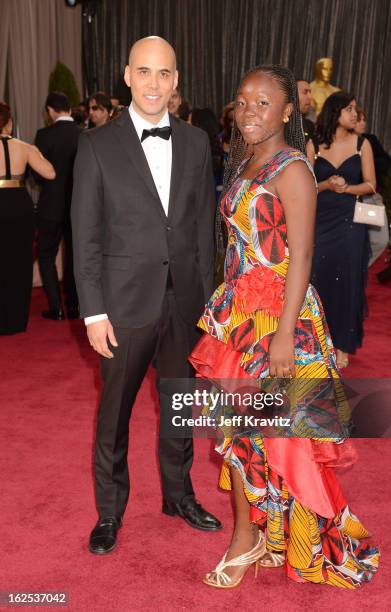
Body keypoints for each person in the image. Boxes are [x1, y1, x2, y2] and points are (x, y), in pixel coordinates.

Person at [189, 66, 379, 589]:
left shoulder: (292, 169)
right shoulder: (248, 158)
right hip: (238, 317)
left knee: (272, 437)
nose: (249, 111)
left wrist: (281, 335)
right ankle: (263, 537)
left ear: (288, 111)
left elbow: (301, 257)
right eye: (243, 101)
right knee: (244, 434)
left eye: (264, 102)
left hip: (278, 319)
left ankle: (247, 541)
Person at [71, 36, 221, 555]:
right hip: (123, 305)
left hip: (184, 303)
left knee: (180, 408)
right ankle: (109, 512)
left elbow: (205, 230)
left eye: (164, 74)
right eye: (145, 72)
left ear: (176, 81)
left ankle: (178, 496)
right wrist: (93, 311)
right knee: (114, 415)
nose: (154, 83)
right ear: (127, 76)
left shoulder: (199, 142)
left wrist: (208, 303)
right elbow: (85, 236)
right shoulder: (95, 145)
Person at [307, 92, 376, 368]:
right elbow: (304, 186)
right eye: (349, 110)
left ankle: (342, 345)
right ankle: (315, 340)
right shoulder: (315, 145)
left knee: (347, 281)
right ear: (335, 112)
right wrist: (326, 185)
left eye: (355, 110)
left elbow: (371, 184)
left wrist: (347, 188)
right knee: (317, 278)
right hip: (320, 222)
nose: (354, 115)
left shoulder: (363, 144)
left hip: (350, 222)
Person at [0, 101, 55, 335]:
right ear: (9, 123)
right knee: (20, 262)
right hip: (20, 206)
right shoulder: (24, 147)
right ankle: (16, 321)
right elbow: (50, 173)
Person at [34, 92, 81, 320]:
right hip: (77, 207)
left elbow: (38, 176)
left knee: (46, 255)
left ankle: (56, 307)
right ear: (69, 109)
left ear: (50, 110)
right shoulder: (84, 134)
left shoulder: (43, 135)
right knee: (75, 257)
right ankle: (74, 307)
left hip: (50, 206)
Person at [354, 107, 390, 266]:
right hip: (349, 199)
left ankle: (359, 268)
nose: (362, 123)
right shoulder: (337, 144)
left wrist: (367, 165)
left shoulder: (369, 140)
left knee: (380, 239)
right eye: (358, 120)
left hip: (371, 197)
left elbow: (385, 161)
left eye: (364, 120)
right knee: (352, 241)